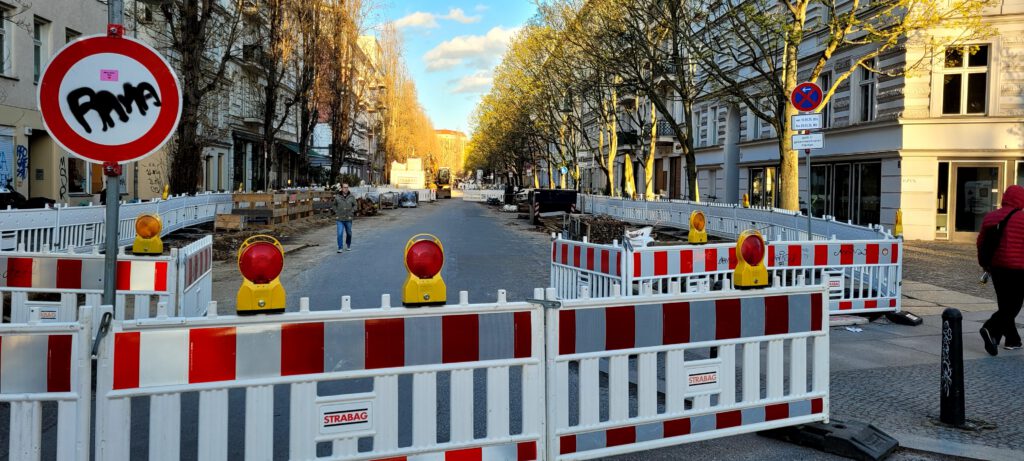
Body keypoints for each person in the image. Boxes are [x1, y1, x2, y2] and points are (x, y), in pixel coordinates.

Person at [977, 184, 1024, 355]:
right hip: (1019, 269)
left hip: (996, 268)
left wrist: (984, 264)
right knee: (1013, 306)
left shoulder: (991, 217)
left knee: (1005, 303)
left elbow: (981, 242)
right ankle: (990, 328)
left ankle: (1012, 340)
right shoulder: (1022, 218)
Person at [333, 183, 357, 253]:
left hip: (348, 218)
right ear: (342, 188)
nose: (346, 189)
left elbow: (355, 205)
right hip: (340, 218)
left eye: (347, 187)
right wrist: (336, 211)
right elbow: (334, 205)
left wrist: (352, 211)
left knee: (349, 233)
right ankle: (340, 247)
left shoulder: (351, 197)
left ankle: (348, 244)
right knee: (339, 233)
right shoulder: (337, 197)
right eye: (344, 187)